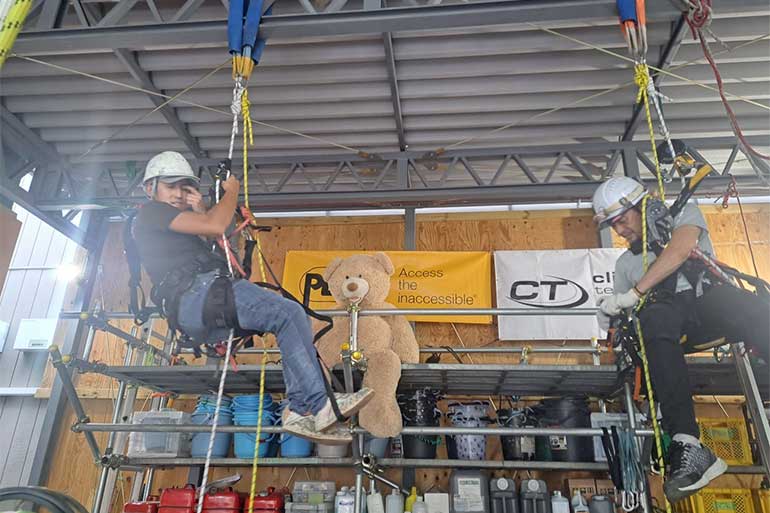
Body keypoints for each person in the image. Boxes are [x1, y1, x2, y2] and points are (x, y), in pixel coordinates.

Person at [131, 151, 374, 443]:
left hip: (198, 304)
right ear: (150, 187)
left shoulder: (173, 225)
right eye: (171, 186)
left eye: (185, 188)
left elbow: (214, 236)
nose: (179, 194)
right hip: (200, 294)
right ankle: (318, 405)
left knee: (290, 316)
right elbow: (215, 226)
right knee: (287, 314)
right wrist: (231, 192)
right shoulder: (152, 211)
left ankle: (300, 410)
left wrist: (203, 208)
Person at [593, 176, 769, 503]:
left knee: (755, 308)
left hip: (708, 303)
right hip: (670, 325)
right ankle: (689, 444)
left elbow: (681, 248)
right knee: (654, 318)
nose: (618, 229)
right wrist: (610, 313)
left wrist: (634, 292)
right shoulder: (626, 263)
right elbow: (621, 314)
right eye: (612, 224)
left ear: (642, 206)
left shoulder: (684, 214)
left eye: (622, 219)